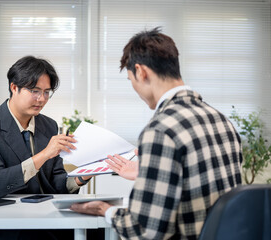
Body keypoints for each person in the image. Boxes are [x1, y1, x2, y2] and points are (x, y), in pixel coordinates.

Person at [70, 27, 243, 239]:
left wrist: (104, 210)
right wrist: (147, 172)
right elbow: (200, 188)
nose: (134, 88)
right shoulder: (221, 120)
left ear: (141, 72)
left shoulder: (161, 129)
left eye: (131, 80)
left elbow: (145, 231)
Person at [0, 55, 92, 240]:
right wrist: (44, 154)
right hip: (6, 221)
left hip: (44, 216)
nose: (41, 99)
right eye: (35, 91)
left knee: (97, 229)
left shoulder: (48, 125)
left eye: (47, 92)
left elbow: (55, 184)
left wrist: (82, 177)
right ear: (14, 87)